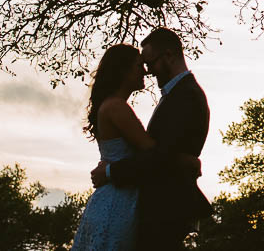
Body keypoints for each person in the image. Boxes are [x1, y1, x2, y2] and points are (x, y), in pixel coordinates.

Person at [90, 27, 212, 250]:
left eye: (150, 63)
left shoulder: (186, 96)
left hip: (166, 206)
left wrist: (109, 171)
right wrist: (187, 162)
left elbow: (160, 156)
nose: (148, 72)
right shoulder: (175, 95)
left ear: (168, 55)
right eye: (142, 66)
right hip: (150, 206)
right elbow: (158, 152)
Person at [72, 44, 154, 251]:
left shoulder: (109, 105)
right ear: (122, 70)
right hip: (117, 202)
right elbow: (152, 151)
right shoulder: (116, 107)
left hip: (113, 197)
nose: (144, 71)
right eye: (138, 66)